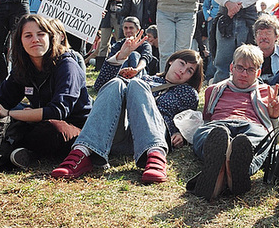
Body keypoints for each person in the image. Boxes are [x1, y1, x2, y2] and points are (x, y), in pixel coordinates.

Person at [52, 49, 204, 182]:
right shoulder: (146, 79)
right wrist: (120, 58)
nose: (183, 70)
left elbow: (189, 119)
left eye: (190, 70)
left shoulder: (187, 92)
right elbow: (99, 87)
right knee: (117, 83)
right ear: (171, 61)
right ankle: (82, 152)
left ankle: (156, 155)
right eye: (182, 63)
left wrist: (181, 134)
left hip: (153, 136)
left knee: (137, 85)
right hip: (122, 135)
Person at [0, 14, 92, 168]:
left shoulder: (67, 65)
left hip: (73, 127)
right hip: (38, 119)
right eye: (28, 35)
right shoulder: (24, 67)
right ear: (20, 41)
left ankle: (21, 151)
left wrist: (10, 114)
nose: (35, 39)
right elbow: (4, 97)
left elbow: (58, 111)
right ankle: (13, 148)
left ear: (50, 37)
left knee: (52, 129)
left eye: (41, 34)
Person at [190, 44, 279, 201]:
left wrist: (274, 117)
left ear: (258, 72)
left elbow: (276, 137)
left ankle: (225, 170)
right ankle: (230, 169)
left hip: (251, 127)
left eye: (250, 70)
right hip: (219, 125)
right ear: (232, 67)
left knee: (256, 138)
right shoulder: (213, 90)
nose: (244, 74)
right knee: (206, 134)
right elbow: (207, 119)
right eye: (240, 68)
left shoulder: (267, 92)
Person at [211, 0, 262, 84]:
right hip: (225, 19)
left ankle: (245, 97)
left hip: (247, 18)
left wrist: (239, 6)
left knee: (248, 61)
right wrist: (228, 4)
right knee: (222, 62)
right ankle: (217, 98)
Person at [94, 16, 154, 90]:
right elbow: (110, 63)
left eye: (131, 28)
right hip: (120, 74)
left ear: (138, 30)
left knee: (134, 54)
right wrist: (121, 70)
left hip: (139, 73)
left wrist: (136, 70)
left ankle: (133, 84)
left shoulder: (145, 44)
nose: (128, 30)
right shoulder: (118, 45)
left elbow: (145, 59)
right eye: (125, 28)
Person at [96, 0, 122, 70]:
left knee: (120, 40)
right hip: (106, 17)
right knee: (104, 42)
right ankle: (100, 66)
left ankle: (118, 64)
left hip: (118, 16)